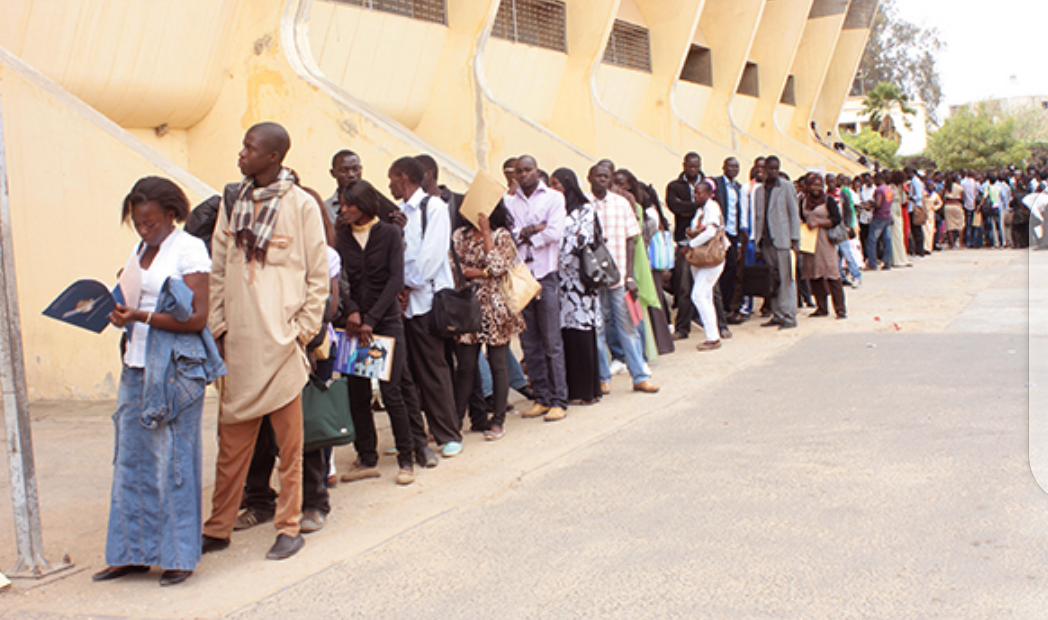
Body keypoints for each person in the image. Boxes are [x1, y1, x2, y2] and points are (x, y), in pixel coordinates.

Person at [202, 122, 329, 561]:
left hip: (282, 349)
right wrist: (219, 328)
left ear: (273, 156)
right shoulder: (233, 202)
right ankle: (218, 528)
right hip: (239, 347)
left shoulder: (301, 205)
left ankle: (288, 527)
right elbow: (219, 269)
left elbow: (318, 278)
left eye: (249, 148)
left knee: (289, 450)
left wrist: (302, 332)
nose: (241, 154)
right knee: (231, 450)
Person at [95, 177, 224, 587]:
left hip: (175, 368)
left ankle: (178, 557)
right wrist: (119, 312)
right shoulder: (140, 250)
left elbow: (197, 317)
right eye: (137, 223)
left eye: (149, 222)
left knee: (174, 462)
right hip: (136, 364)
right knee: (131, 459)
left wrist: (141, 316)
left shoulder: (189, 249)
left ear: (171, 214)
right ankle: (131, 553)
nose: (143, 229)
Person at [335, 179, 427, 484]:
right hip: (353, 325)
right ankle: (366, 457)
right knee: (357, 393)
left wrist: (371, 320)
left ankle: (406, 458)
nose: (344, 210)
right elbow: (340, 279)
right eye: (342, 204)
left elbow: (395, 280)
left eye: (350, 204)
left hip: (385, 322)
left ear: (365, 205)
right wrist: (352, 311)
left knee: (392, 391)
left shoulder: (388, 233)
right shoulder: (341, 237)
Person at [388, 156, 465, 457]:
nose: (390, 186)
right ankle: (411, 436)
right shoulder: (398, 214)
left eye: (392, 180)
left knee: (433, 369)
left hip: (426, 301)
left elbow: (431, 256)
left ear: (403, 178)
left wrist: (407, 285)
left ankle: (448, 433)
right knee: (406, 374)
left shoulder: (433, 208)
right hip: (402, 303)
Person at [504, 155, 571, 421]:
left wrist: (526, 235)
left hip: (545, 276)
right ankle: (541, 398)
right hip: (521, 277)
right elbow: (509, 236)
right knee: (529, 343)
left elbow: (555, 232)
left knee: (551, 342)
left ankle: (559, 399)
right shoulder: (510, 202)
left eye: (528, 170)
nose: (523, 175)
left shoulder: (554, 198)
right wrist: (533, 230)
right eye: (519, 171)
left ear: (537, 171)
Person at [450, 204, 524, 440]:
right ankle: (456, 422)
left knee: (498, 364)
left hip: (495, 308)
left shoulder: (502, 235)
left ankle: (498, 420)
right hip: (467, 307)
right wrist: (483, 273)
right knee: (466, 367)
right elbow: (455, 267)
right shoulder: (459, 235)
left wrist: (486, 233)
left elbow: (498, 267)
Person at [589, 162, 660, 393]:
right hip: (594, 279)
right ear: (589, 178)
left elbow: (632, 239)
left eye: (605, 176)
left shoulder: (621, 203)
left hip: (619, 276)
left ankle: (639, 376)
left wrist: (630, 275)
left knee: (628, 328)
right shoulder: (585, 205)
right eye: (597, 176)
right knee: (598, 329)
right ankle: (603, 378)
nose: (602, 179)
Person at [551, 167, 603, 405]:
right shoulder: (554, 209)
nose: (553, 189)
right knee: (566, 335)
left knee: (582, 333)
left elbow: (580, 239)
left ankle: (588, 390)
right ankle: (572, 389)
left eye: (557, 184)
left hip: (579, 281)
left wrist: (558, 258)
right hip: (559, 282)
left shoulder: (585, 210)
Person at [751, 156, 800, 330]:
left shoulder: (786, 187)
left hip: (783, 240)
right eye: (769, 169)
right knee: (772, 280)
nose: (772, 172)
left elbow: (794, 214)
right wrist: (756, 242)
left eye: (775, 169)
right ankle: (777, 314)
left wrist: (794, 239)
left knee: (786, 279)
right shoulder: (759, 191)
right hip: (765, 241)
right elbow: (757, 217)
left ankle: (789, 315)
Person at [685, 179, 729, 350]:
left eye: (699, 192)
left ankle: (712, 338)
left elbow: (711, 232)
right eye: (694, 193)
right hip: (700, 258)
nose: (695, 196)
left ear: (709, 194)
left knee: (698, 295)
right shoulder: (700, 210)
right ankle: (713, 334)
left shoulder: (712, 207)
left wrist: (690, 244)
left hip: (712, 258)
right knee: (706, 296)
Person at [665, 152, 705, 340]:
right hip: (684, 243)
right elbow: (675, 207)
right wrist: (697, 205)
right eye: (690, 166)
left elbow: (714, 207)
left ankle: (715, 324)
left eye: (696, 166)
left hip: (705, 243)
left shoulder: (708, 183)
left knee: (710, 287)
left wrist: (686, 206)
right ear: (684, 165)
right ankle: (683, 327)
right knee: (683, 287)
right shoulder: (674, 186)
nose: (693, 169)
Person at [800, 174, 846, 319]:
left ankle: (840, 309)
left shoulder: (828, 200)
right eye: (813, 185)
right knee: (814, 274)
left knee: (832, 274)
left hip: (825, 241)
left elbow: (836, 219)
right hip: (810, 242)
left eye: (819, 185)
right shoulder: (803, 201)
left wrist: (819, 223)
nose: (817, 188)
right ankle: (821, 308)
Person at [712, 157, 747, 331]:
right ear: (723, 167)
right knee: (718, 269)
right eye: (730, 166)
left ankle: (727, 307)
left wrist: (739, 241)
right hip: (719, 234)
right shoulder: (716, 184)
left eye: (736, 166)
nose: (734, 169)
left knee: (731, 270)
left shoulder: (739, 188)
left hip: (733, 235)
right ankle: (717, 308)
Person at [325, 150, 398, 225]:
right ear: (333, 173)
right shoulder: (325, 209)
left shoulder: (377, 201)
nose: (351, 175)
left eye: (355, 169)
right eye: (344, 170)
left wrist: (399, 226)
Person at [888, 170, 910, 267]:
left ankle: (902, 258)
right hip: (892, 211)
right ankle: (896, 260)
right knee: (895, 236)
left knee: (900, 235)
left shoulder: (900, 188)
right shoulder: (890, 188)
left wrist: (903, 191)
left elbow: (904, 201)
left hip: (899, 211)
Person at [943, 172, 965, 249]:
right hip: (956, 205)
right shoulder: (959, 187)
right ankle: (960, 244)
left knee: (949, 226)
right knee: (960, 225)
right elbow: (963, 197)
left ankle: (951, 244)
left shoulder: (946, 187)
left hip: (947, 206)